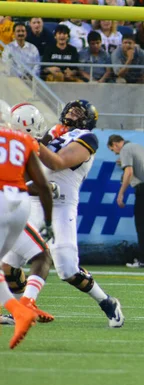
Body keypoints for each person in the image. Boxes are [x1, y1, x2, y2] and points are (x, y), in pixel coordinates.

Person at [35, 100, 125, 328]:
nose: (74, 110)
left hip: (61, 204)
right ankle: (20, 308)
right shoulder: (51, 133)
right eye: (71, 107)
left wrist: (30, 141)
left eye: (80, 110)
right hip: (33, 199)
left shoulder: (87, 137)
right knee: (11, 257)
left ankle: (107, 302)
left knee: (67, 269)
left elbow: (57, 162)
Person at [0, 99, 54, 349]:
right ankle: (21, 308)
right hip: (19, 204)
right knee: (41, 254)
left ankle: (17, 309)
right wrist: (50, 221)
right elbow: (42, 185)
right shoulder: (22, 140)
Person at [107, 134, 144, 269]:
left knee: (141, 225)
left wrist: (121, 193)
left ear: (115, 144)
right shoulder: (137, 146)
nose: (116, 153)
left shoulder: (125, 150)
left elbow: (129, 172)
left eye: (114, 150)